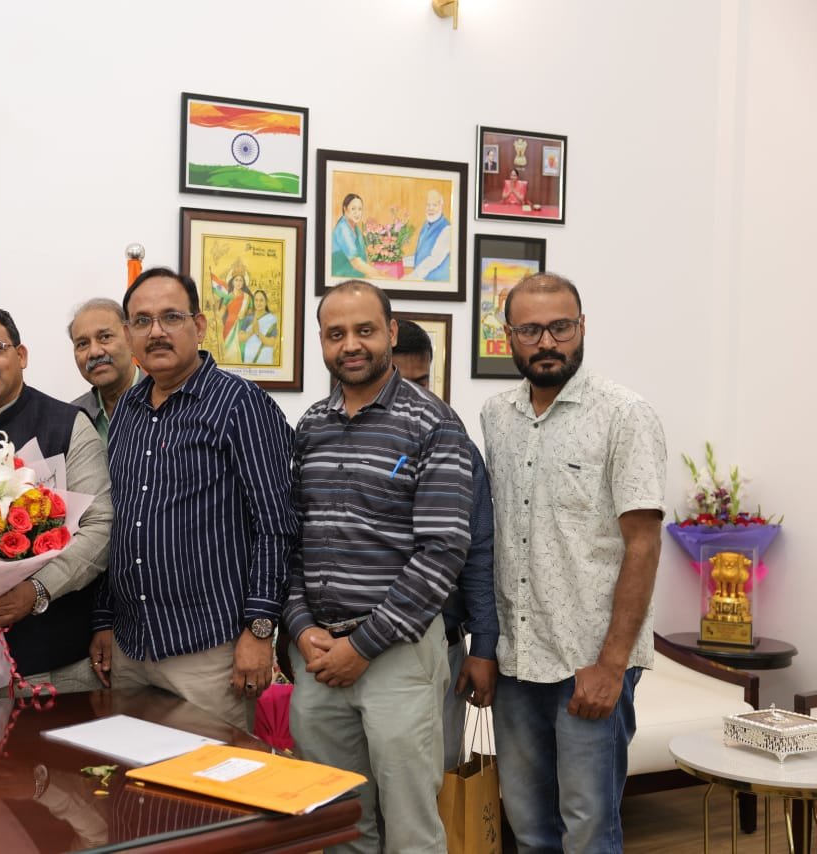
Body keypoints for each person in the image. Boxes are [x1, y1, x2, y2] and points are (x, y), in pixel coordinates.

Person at [285, 281, 472, 853]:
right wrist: (301, 627)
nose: (350, 345)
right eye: (335, 333)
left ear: (390, 332)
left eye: (364, 330)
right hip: (318, 658)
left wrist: (362, 646)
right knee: (338, 825)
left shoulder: (434, 424)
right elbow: (291, 541)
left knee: (411, 828)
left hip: (397, 657)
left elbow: (442, 553)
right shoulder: (310, 426)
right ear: (321, 341)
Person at [481, 273, 666, 852]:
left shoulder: (624, 415)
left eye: (560, 327)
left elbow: (643, 545)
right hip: (517, 661)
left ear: (582, 327)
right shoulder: (496, 416)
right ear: (508, 336)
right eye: (530, 330)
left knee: (588, 833)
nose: (547, 342)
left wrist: (611, 666)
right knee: (529, 829)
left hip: (588, 661)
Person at [90, 267, 296, 730]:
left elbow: (275, 524)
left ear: (199, 326)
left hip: (209, 650)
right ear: (128, 334)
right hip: (131, 645)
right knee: (135, 771)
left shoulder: (241, 403)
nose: (156, 332)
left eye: (171, 317)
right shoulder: (127, 409)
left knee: (210, 774)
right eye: (142, 321)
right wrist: (103, 619)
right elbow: (117, 521)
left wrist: (259, 630)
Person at [0, 304, 112, 694]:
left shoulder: (67, 425)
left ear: (21, 355)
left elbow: (100, 527)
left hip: (57, 657)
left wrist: (37, 590)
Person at [392, 319, 498, 768]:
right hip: (356, 648)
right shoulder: (334, 437)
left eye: (422, 382)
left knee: (436, 778)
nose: (414, 397)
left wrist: (484, 647)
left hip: (443, 646)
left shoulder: (455, 443)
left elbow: (480, 549)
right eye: (399, 383)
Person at [67, 298, 143, 443]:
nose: (94, 352)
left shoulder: (168, 402)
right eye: (82, 344)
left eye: (105, 337)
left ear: (130, 339)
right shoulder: (71, 418)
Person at [331, 193, 379, 279]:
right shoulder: (343, 229)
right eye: (353, 209)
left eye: (360, 209)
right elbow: (356, 262)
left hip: (356, 275)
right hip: (342, 276)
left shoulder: (355, 228)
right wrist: (378, 274)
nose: (357, 213)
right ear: (345, 209)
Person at [409, 188, 451, 282]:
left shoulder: (447, 229)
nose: (430, 208)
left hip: (437, 283)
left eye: (434, 205)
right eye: (428, 205)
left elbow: (434, 259)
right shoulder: (426, 225)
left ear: (441, 206)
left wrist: (413, 276)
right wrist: (399, 261)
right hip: (422, 280)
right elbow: (420, 255)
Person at [239, 289, 279, 365]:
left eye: (261, 300)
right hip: (249, 356)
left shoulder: (272, 319)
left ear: (266, 302)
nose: (258, 303)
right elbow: (240, 338)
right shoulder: (248, 318)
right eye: (256, 300)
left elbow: (272, 342)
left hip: (265, 357)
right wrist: (251, 331)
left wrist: (258, 333)